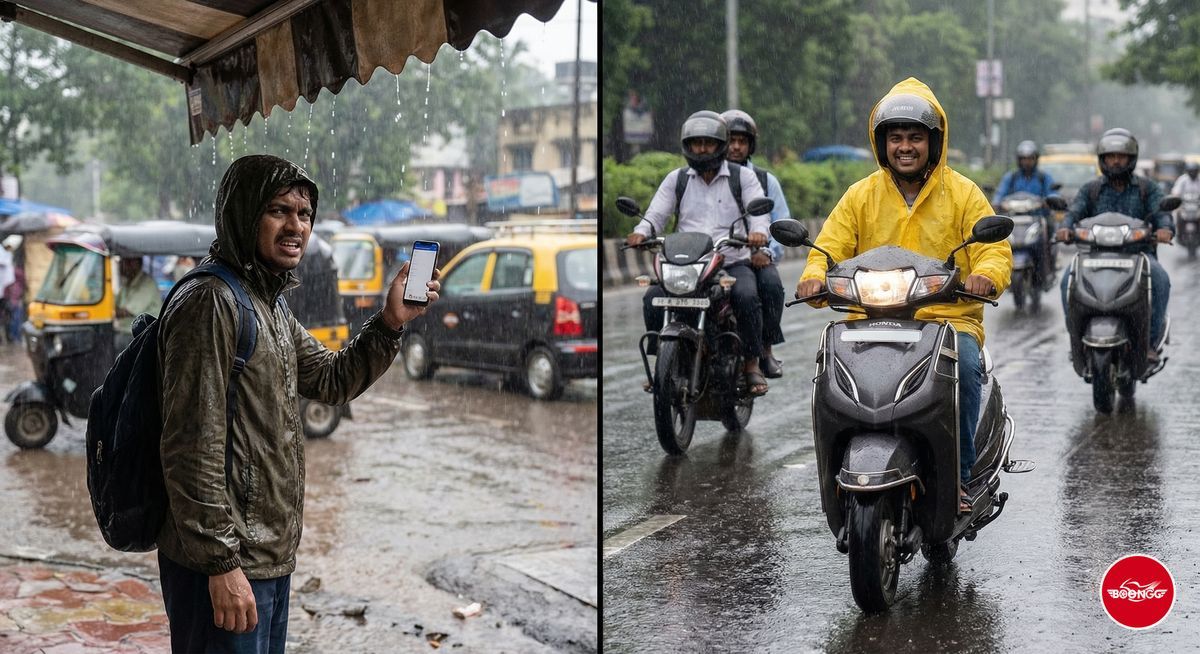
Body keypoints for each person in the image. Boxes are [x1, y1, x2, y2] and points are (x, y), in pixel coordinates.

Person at [155, 154, 440, 653]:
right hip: (225, 565)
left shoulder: (268, 303)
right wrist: (220, 565)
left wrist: (390, 323)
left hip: (266, 559)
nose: (296, 227)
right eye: (279, 210)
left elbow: (330, 380)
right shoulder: (213, 303)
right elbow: (189, 446)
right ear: (245, 215)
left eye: (305, 214)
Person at [794, 78, 1011, 513]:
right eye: (896, 138)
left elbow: (993, 248)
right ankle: (836, 472)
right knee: (827, 374)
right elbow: (829, 246)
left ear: (934, 141)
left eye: (915, 137)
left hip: (947, 321)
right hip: (870, 318)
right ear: (882, 143)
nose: (905, 147)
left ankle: (960, 477)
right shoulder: (861, 195)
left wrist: (986, 273)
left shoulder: (964, 193)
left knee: (965, 368)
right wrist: (814, 275)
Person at [625, 110, 772, 395]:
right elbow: (655, 214)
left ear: (721, 145)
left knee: (747, 296)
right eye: (696, 143)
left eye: (708, 143)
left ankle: (752, 364)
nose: (702, 149)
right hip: (687, 264)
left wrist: (758, 233)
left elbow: (759, 214)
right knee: (653, 297)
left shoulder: (742, 178)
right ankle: (662, 364)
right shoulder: (676, 179)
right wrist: (641, 232)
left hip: (730, 261)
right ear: (687, 146)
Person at [1056, 128, 1172, 363]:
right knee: (1066, 281)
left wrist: (1165, 229)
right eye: (1111, 156)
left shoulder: (1146, 188)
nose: (1116, 161)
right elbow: (1074, 211)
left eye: (1121, 156)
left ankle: (1150, 342)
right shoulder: (1091, 189)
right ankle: (1077, 340)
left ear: (1131, 159)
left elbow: (1162, 213)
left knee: (1160, 280)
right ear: (1103, 159)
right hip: (1094, 256)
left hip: (1139, 254)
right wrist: (1066, 227)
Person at [722, 108, 789, 379]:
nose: (736, 147)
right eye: (730, 140)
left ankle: (764, 350)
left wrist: (766, 250)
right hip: (715, 257)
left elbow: (780, 224)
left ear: (751, 145)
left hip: (753, 257)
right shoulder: (700, 176)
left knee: (771, 286)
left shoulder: (764, 180)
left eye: (742, 141)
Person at [115, 256, 161, 334]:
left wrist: (107, 312)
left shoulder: (146, 284)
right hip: (124, 331)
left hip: (140, 335)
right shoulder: (127, 283)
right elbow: (116, 304)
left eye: (125, 262)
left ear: (135, 264)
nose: (121, 266)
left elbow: (128, 311)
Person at [2, 235, 24, 342]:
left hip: (8, 294)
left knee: (10, 316)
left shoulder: (8, 256)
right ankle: (12, 337)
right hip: (7, 293)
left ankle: (12, 337)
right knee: (11, 316)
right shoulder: (3, 254)